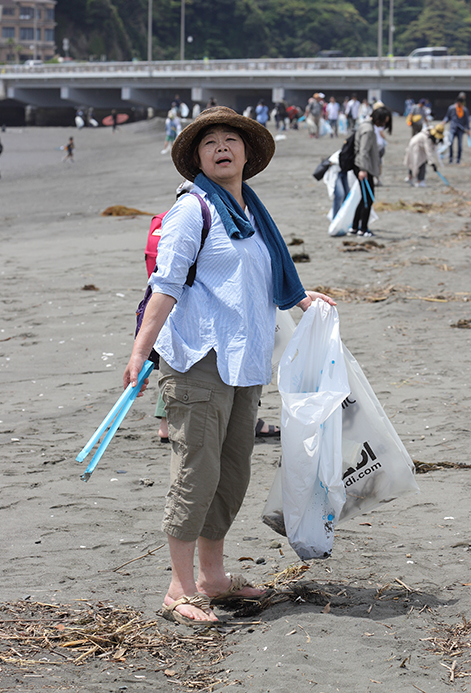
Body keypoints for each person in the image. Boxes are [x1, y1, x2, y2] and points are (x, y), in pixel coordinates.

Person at [123, 106, 335, 626]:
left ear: (245, 152)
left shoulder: (252, 214)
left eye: (229, 140)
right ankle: (180, 586)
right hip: (198, 358)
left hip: (245, 360)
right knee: (196, 474)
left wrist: (299, 298)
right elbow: (166, 284)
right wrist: (139, 352)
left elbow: (256, 279)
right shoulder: (192, 210)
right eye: (209, 142)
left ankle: (213, 577)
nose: (221, 147)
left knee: (232, 472)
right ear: (197, 158)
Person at [348, 106, 392, 237]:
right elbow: (364, 151)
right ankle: (363, 229)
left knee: (364, 198)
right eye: (384, 121)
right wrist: (363, 170)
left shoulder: (366, 125)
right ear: (378, 119)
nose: (384, 124)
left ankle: (355, 227)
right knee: (368, 199)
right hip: (363, 168)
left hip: (363, 167)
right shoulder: (368, 130)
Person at [443, 92, 471, 164]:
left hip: (460, 129)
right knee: (451, 143)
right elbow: (447, 117)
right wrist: (444, 122)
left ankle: (458, 160)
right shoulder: (451, 108)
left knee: (460, 145)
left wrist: (468, 129)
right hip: (452, 128)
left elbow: (467, 120)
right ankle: (451, 159)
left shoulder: (465, 110)